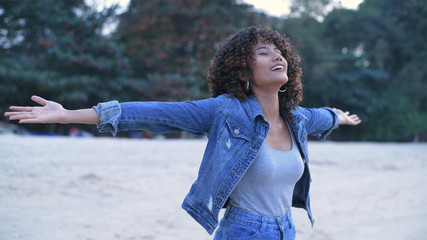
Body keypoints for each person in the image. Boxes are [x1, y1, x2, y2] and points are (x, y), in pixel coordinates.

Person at [4, 26, 361, 239]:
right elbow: (153, 112)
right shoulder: (224, 111)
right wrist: (68, 115)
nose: (277, 56)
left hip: (288, 229)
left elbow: (323, 117)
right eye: (264, 53)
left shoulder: (296, 119)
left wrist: (341, 117)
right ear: (243, 70)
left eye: (279, 51)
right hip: (244, 231)